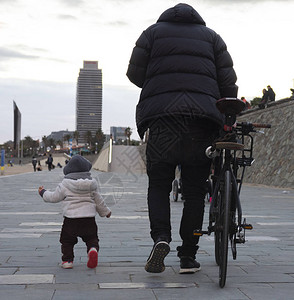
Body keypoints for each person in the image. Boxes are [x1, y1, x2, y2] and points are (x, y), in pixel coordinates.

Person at [127, 3, 238, 274]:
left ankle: (161, 238)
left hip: (163, 120)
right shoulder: (213, 37)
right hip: (201, 122)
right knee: (195, 193)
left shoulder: (151, 34)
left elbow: (134, 74)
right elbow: (228, 83)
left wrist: (160, 79)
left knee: (159, 185)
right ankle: (188, 256)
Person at [38, 155, 111, 269]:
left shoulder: (65, 184)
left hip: (71, 219)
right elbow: (99, 200)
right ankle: (92, 249)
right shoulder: (92, 185)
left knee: (67, 240)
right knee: (92, 238)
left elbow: (53, 197)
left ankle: (67, 261)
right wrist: (106, 212)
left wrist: (43, 192)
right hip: (89, 219)